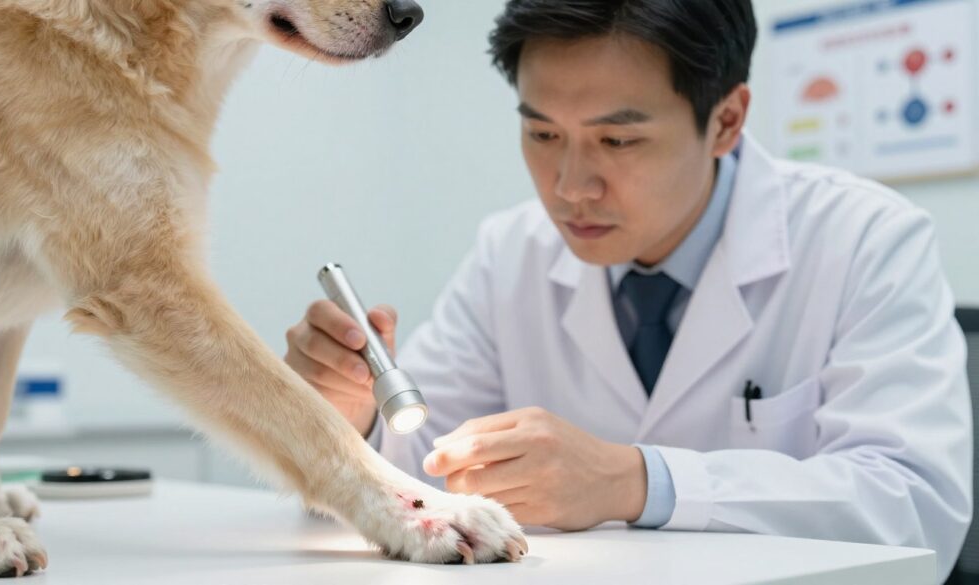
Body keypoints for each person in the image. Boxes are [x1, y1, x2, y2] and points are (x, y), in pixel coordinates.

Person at [284, 0, 972, 579]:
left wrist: (638, 481)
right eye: (543, 132)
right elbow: (420, 460)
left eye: (617, 142)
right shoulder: (510, 252)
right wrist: (349, 418)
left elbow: (914, 506)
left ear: (727, 121)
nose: (570, 186)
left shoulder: (866, 238)